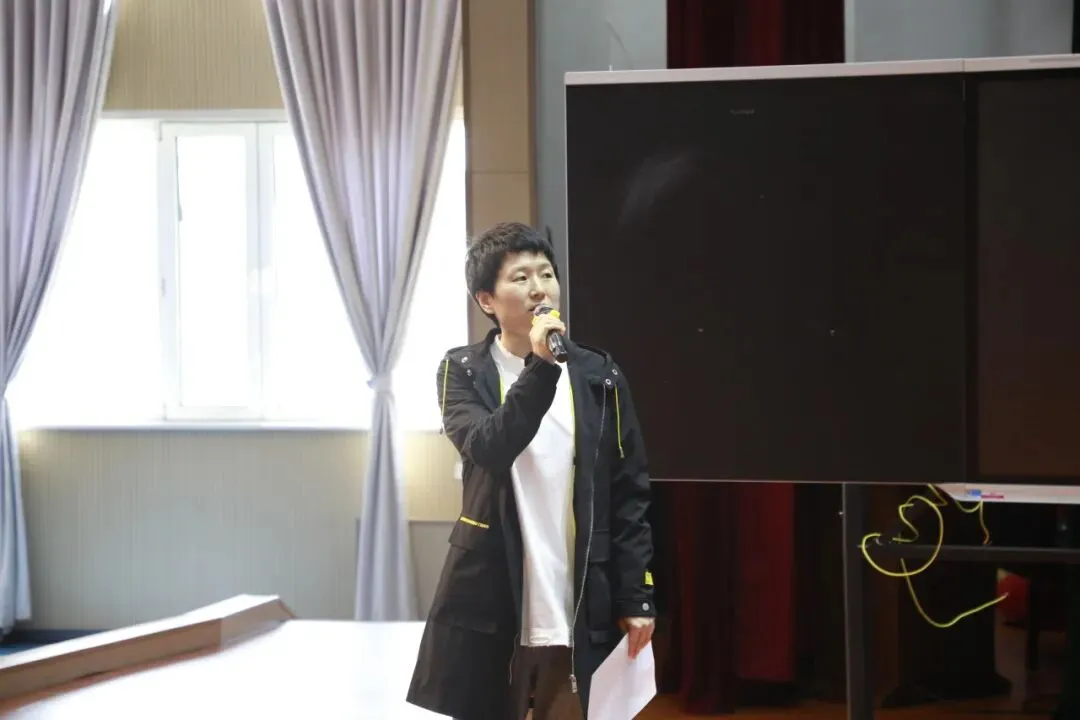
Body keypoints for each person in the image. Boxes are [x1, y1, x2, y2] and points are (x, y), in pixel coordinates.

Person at [406, 222, 657, 719]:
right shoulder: (464, 371)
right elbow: (489, 447)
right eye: (520, 278)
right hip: (492, 596)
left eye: (546, 274)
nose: (539, 288)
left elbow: (629, 491)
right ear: (486, 300)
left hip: (578, 596)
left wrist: (638, 596)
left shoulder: (599, 375)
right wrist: (540, 367)